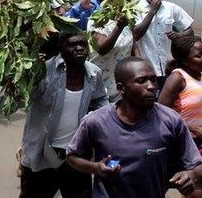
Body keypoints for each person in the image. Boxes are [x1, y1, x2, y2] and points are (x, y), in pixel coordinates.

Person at [66, 57, 202, 198]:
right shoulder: (96, 121)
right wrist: (96, 168)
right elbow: (72, 156)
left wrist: (187, 177)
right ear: (121, 88)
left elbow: (194, 165)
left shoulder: (171, 120)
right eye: (141, 81)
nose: (151, 86)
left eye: (154, 80)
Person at [19, 31, 108, 198]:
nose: (79, 48)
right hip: (42, 154)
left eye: (83, 44)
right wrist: (20, 82)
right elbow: (15, 101)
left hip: (76, 157)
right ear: (60, 48)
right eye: (72, 45)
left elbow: (101, 99)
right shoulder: (43, 72)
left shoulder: (94, 73)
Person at [133, 0, 193, 88]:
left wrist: (179, 35)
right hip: (147, 67)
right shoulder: (136, 8)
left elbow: (190, 30)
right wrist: (152, 11)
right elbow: (135, 35)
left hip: (168, 66)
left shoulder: (171, 8)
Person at [159, 36, 202, 153]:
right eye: (198, 56)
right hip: (184, 141)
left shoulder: (200, 75)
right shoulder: (177, 78)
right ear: (184, 60)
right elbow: (160, 114)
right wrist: (191, 128)